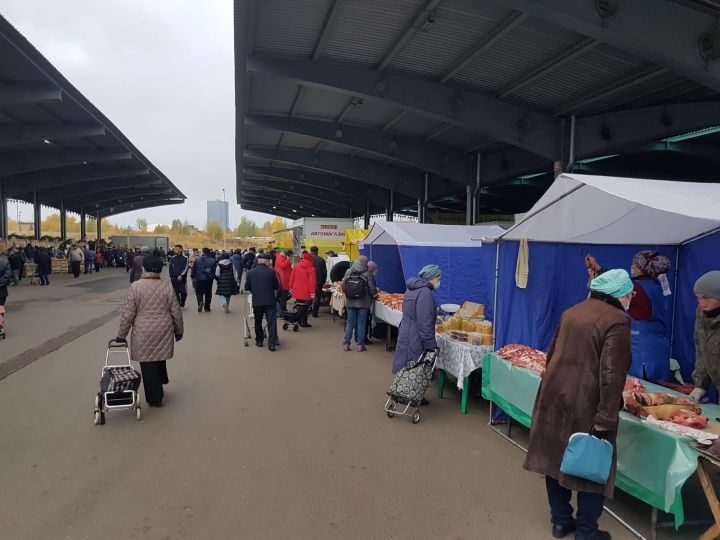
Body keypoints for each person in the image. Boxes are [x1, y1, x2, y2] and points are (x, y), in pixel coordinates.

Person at [524, 269, 634, 540]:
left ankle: (561, 521)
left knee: (554, 459)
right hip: (587, 403)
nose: (631, 298)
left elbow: (551, 355)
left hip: (554, 396)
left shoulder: (572, 311)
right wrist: (606, 418)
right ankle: (587, 531)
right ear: (619, 293)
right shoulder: (617, 320)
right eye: (630, 293)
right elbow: (612, 374)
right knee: (592, 465)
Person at [586, 251, 672, 381]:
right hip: (657, 347)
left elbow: (611, 287)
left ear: (641, 267)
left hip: (643, 352)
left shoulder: (637, 288)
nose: (631, 266)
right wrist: (598, 268)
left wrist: (594, 279)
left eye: (634, 263)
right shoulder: (655, 285)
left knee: (643, 392)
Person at [116, 255, 183, 408]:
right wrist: (179, 330)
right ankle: (160, 381)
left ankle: (155, 397)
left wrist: (121, 335)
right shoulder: (167, 285)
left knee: (147, 362)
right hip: (164, 327)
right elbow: (176, 310)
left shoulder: (136, 286)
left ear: (144, 269)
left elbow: (128, 313)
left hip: (143, 329)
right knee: (159, 354)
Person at [392, 264, 441, 376]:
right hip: (415, 338)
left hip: (406, 333)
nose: (439, 282)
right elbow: (424, 322)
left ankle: (399, 390)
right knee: (413, 372)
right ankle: (405, 392)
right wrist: (430, 345)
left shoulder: (410, 290)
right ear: (431, 278)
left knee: (404, 369)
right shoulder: (425, 293)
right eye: (438, 279)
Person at [690, 271, 720, 403]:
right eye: (698, 297)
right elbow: (701, 349)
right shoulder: (701, 312)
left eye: (706, 298)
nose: (702, 303)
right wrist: (700, 384)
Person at [245, 253, 280, 351]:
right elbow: (276, 286)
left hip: (257, 301)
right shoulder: (271, 272)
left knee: (258, 321)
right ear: (267, 261)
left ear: (258, 261)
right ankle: (272, 343)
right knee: (271, 322)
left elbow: (247, 287)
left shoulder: (251, 273)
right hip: (270, 301)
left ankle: (259, 340)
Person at [341, 258, 376, 352]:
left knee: (350, 322)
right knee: (361, 323)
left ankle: (346, 344)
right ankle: (360, 345)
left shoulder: (349, 271)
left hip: (350, 301)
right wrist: (374, 294)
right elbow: (372, 288)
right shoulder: (367, 273)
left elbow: (343, 285)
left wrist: (348, 294)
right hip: (364, 302)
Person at [289, 252, 317, 328]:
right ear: (311, 260)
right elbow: (312, 282)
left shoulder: (296, 266)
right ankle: (300, 321)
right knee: (305, 307)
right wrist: (312, 293)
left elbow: (292, 278)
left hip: (296, 289)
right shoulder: (311, 269)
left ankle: (299, 320)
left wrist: (291, 288)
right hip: (306, 291)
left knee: (299, 305)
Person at [191, 247, 216, 312]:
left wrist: (192, 276)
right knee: (208, 293)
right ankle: (207, 308)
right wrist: (215, 278)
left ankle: (200, 302)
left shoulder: (197, 260)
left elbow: (194, 269)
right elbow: (214, 270)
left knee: (199, 292)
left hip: (199, 279)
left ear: (203, 252)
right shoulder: (213, 260)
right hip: (209, 279)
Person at [310, 246, 327, 318]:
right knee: (317, 298)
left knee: (308, 297)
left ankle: (308, 310)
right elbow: (325, 273)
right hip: (318, 283)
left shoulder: (308, 260)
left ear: (311, 251)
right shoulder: (322, 260)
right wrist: (322, 282)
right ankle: (314, 313)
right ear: (317, 251)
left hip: (309, 282)